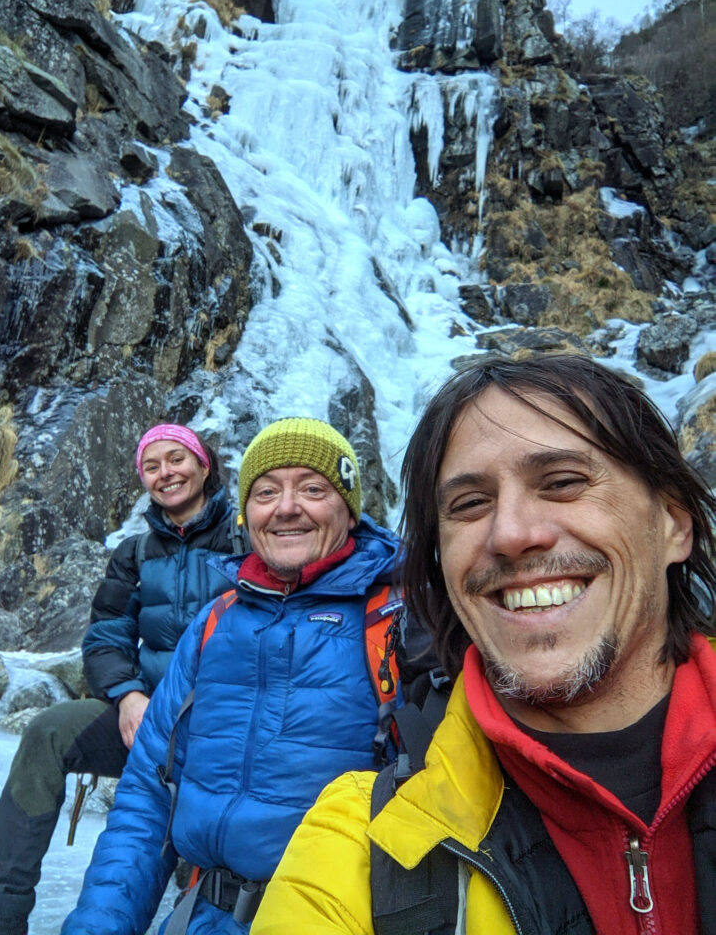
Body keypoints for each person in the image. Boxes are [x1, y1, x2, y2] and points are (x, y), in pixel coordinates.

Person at [252, 354, 716, 935]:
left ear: (674, 524)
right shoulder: (358, 842)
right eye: (469, 503)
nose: (512, 533)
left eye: (564, 482)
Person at [60, 417, 402, 935]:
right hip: (201, 913)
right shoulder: (216, 618)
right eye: (266, 491)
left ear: (349, 509)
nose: (286, 507)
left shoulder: (398, 619)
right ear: (247, 512)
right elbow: (148, 796)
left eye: (312, 488)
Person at [0, 424, 241, 935]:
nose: (165, 473)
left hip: (228, 727)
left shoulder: (249, 537)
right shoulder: (133, 554)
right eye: (151, 467)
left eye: (176, 459)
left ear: (204, 466)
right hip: (148, 718)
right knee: (50, 730)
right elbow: (106, 638)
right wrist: (128, 694)